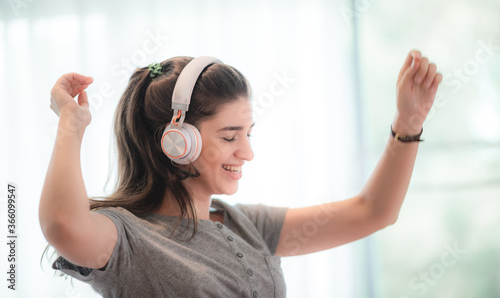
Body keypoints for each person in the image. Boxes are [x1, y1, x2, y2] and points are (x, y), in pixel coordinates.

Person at [39, 52, 442, 297]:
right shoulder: (126, 239)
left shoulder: (245, 224)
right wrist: (71, 124)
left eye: (247, 134)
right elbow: (63, 224)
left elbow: (372, 212)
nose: (247, 152)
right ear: (178, 141)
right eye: (230, 136)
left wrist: (408, 122)